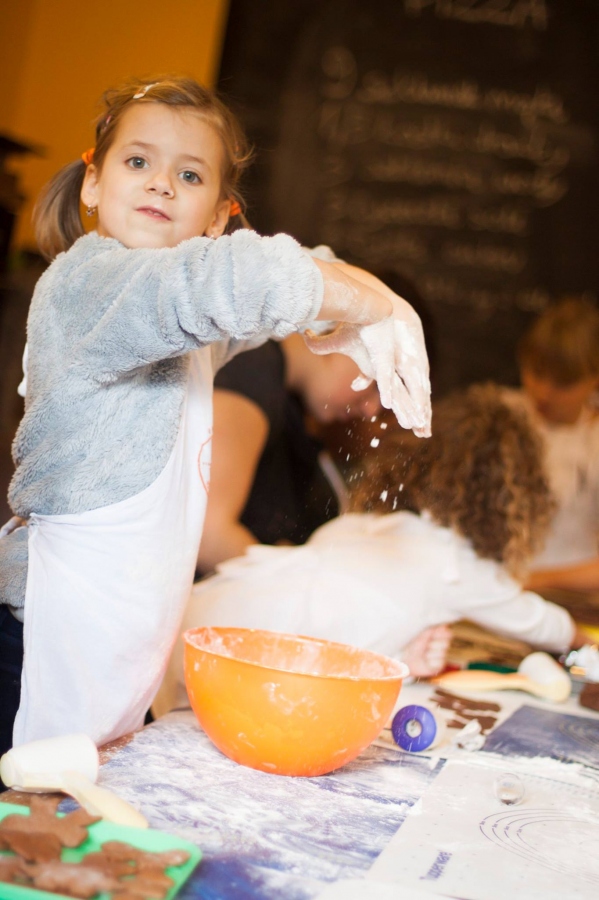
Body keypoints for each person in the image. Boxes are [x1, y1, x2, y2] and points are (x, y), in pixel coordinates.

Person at [0, 76, 432, 758]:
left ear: (216, 218)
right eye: (137, 162)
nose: (160, 184)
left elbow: (249, 300)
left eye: (189, 174)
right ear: (93, 182)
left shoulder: (191, 321)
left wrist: (340, 290)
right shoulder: (88, 286)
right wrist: (371, 299)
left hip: (123, 643)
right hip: (36, 641)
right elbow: (221, 283)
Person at [154, 384, 585, 718]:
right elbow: (549, 628)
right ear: (511, 498)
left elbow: (346, 617)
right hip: (244, 669)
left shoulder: (359, 524)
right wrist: (587, 650)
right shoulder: (455, 564)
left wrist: (405, 656)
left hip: (189, 626)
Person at [196, 327, 381, 575]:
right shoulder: (251, 369)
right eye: (379, 380)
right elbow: (207, 534)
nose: (373, 410)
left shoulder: (279, 391)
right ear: (338, 329)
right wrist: (301, 584)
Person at [502, 298, 599, 593]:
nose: (544, 393)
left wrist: (535, 581)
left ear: (594, 379)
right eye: (536, 373)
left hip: (573, 599)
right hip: (492, 591)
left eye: (563, 384)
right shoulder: (497, 417)